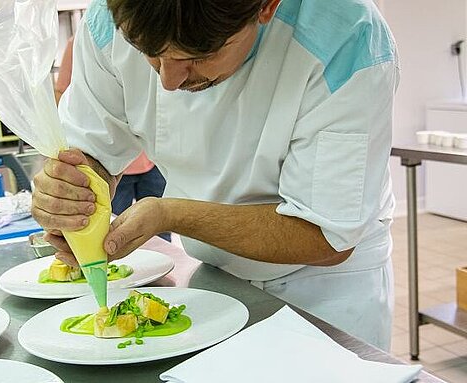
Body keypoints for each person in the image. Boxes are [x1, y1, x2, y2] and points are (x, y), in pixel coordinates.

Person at [32, 0, 398, 350]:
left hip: (323, 292)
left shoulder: (347, 37)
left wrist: (169, 213)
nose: (169, 82)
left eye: (197, 56)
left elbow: (325, 235)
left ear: (267, 6)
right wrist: (74, 193)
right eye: (150, 54)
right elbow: (93, 150)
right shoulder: (111, 17)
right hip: (215, 276)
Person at [55, 36, 170, 241]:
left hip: (152, 162)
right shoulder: (91, 38)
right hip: (113, 166)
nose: (170, 80)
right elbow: (61, 91)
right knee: (110, 226)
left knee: (158, 229)